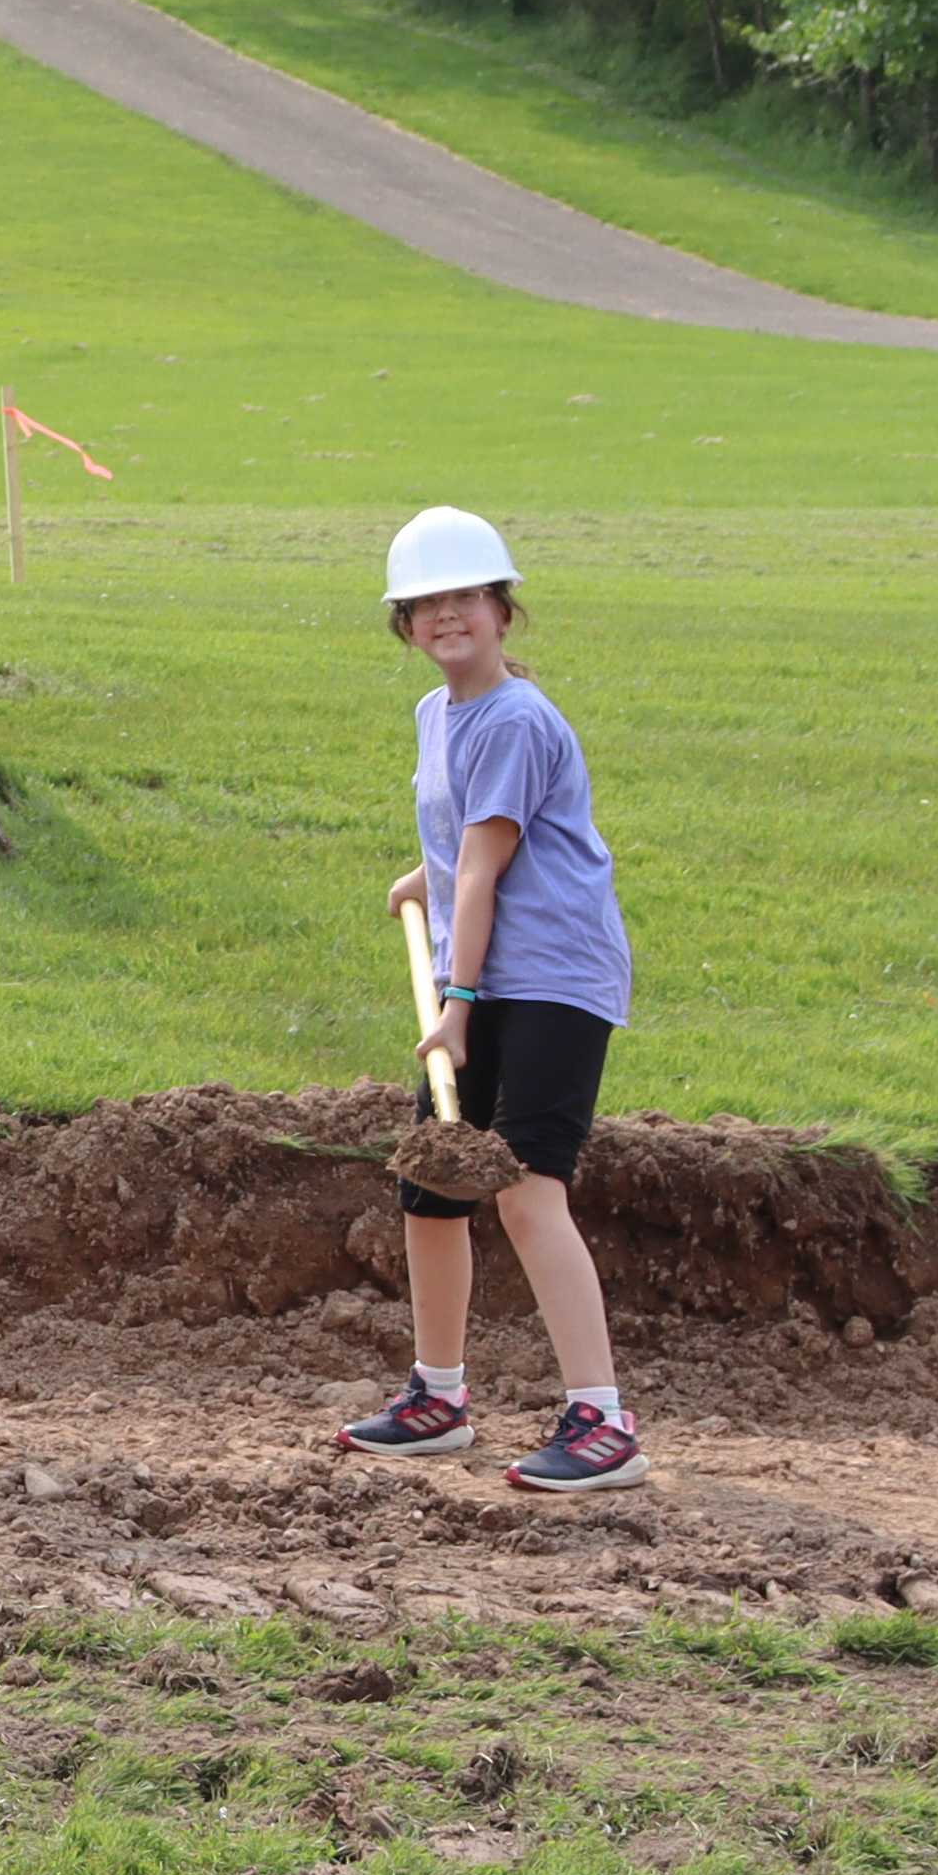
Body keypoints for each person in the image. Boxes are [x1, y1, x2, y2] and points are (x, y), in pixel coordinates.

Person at [345, 506, 647, 1492]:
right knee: (431, 1179)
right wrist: (421, 877)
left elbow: (487, 867)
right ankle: (439, 1397)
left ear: (502, 610)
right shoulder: (440, 714)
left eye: (465, 596)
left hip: (550, 977)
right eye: (425, 603)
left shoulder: (516, 715)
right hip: (484, 965)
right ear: (404, 624)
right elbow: (467, 846)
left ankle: (601, 1420)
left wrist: (458, 1002)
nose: (446, 616)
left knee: (524, 1188)